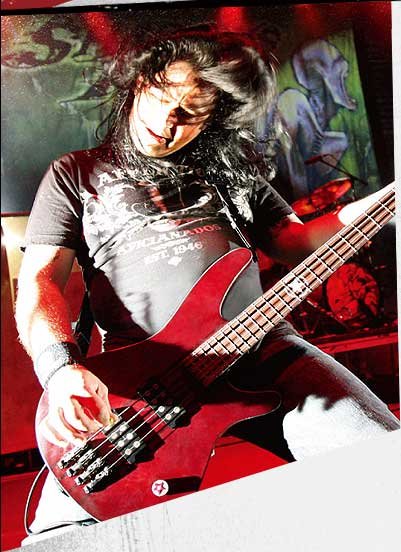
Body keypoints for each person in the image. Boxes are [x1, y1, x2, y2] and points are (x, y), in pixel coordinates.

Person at [15, 30, 398, 542]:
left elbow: (299, 244)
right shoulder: (75, 173)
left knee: (383, 469)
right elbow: (41, 281)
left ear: (213, 118)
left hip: (262, 350)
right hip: (143, 381)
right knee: (63, 539)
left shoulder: (232, 174)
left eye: (190, 112)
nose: (166, 121)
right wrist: (60, 370)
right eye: (162, 96)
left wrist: (387, 201)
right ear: (140, 82)